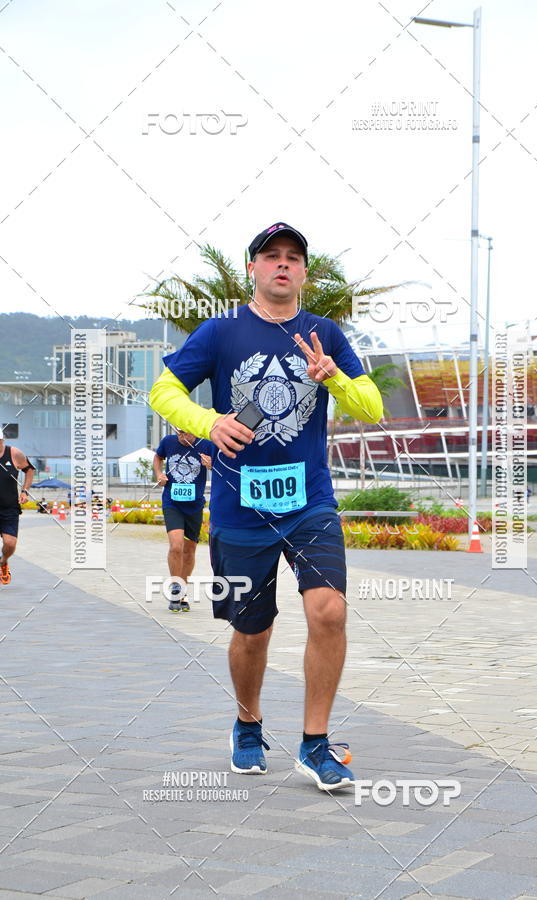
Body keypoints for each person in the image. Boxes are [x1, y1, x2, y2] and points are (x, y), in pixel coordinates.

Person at [149, 222, 382, 790]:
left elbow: (371, 407)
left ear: (305, 272)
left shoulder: (325, 333)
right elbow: (163, 392)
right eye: (271, 256)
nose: (283, 264)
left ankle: (315, 743)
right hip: (239, 505)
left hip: (310, 503)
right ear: (253, 268)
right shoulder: (221, 332)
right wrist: (211, 422)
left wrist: (336, 379)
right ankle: (248, 723)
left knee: (329, 611)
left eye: (293, 257)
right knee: (253, 631)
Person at [153, 430, 213, 611]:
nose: (183, 438)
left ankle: (182, 592)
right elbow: (158, 457)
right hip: (172, 502)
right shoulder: (168, 442)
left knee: (189, 550)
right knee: (176, 545)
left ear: (195, 432)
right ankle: (175, 586)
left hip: (194, 505)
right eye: (179, 434)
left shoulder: (206, 445)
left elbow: (221, 466)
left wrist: (210, 465)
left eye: (187, 435)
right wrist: (159, 474)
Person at [0, 427, 36, 585]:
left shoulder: (14, 454)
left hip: (9, 508)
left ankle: (3, 561)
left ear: (2, 440)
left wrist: (24, 491)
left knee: (10, 543)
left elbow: (29, 470)